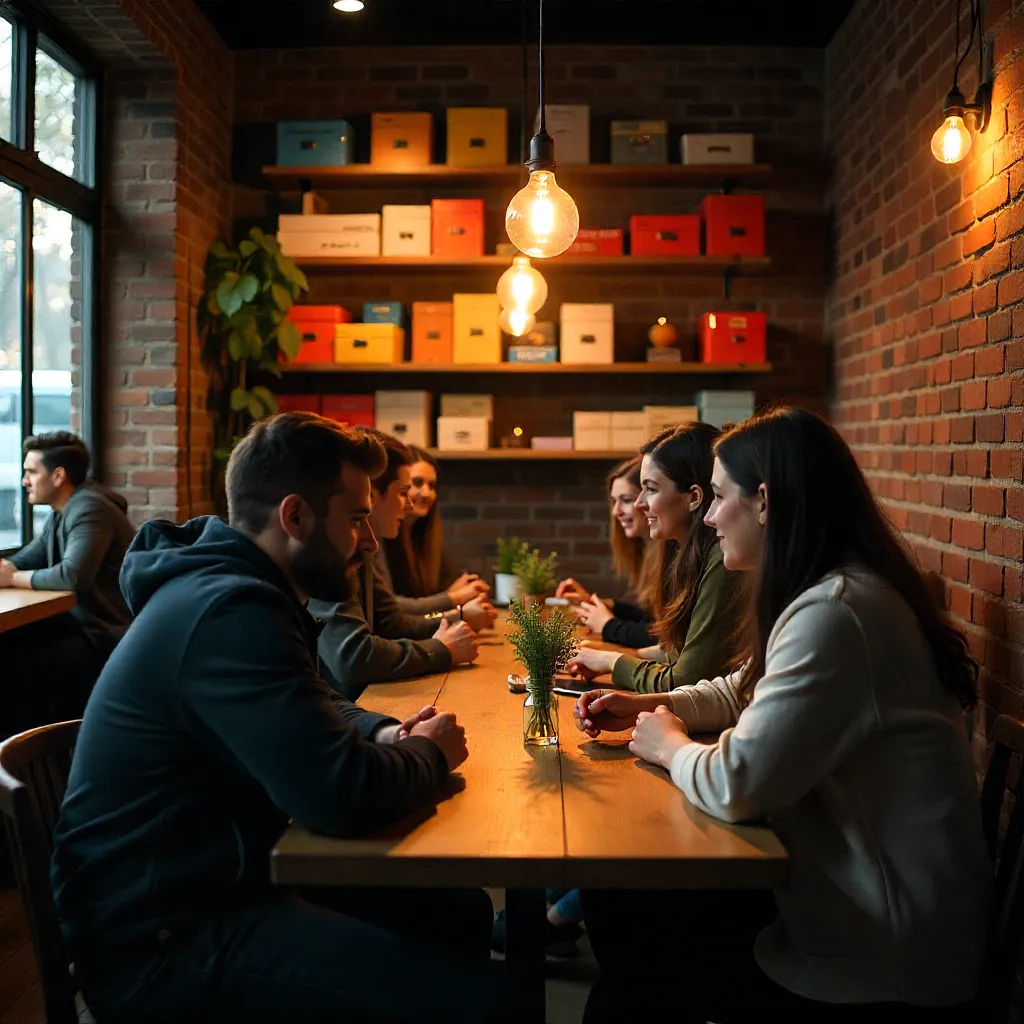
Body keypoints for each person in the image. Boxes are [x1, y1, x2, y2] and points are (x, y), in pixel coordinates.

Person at [51, 413, 520, 1024]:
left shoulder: (232, 588)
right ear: (295, 517)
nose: (372, 541)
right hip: (166, 939)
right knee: (485, 1002)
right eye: (356, 519)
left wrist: (378, 728)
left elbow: (314, 697)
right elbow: (339, 794)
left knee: (453, 911)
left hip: (211, 880)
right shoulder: (230, 610)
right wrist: (428, 753)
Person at [573, 407, 991, 1023]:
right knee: (621, 904)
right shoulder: (824, 592)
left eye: (717, 498)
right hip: (848, 902)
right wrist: (648, 704)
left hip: (883, 954)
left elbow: (737, 784)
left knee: (631, 933)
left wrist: (667, 746)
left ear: (764, 501)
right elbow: (734, 689)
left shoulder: (836, 612)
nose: (709, 517)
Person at [566, 423, 743, 693]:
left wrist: (610, 660)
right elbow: (679, 655)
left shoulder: (721, 559)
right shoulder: (691, 554)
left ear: (693, 496)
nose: (639, 504)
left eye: (651, 489)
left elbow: (685, 681)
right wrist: (618, 657)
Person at [313, 431, 482, 700]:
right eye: (405, 491)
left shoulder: (363, 548)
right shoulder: (331, 551)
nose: (411, 502)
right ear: (373, 495)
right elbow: (353, 658)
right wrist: (442, 647)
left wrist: (456, 619)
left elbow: (391, 621)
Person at [0, 431, 135, 730]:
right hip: (79, 626)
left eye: (31, 472)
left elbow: (73, 576)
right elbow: (27, 557)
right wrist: (6, 568)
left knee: (12, 666)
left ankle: (34, 759)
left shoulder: (90, 508)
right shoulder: (62, 512)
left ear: (58, 475)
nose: (24, 481)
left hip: (106, 636)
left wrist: (13, 578)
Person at [556, 454, 664, 649]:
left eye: (626, 500)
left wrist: (608, 625)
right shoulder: (649, 551)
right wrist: (603, 605)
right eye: (614, 501)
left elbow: (666, 639)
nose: (616, 512)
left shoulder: (675, 558)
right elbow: (651, 620)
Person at [381, 446, 490, 615]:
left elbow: (445, 589)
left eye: (432, 486)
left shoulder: (427, 536)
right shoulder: (381, 535)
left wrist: (466, 591)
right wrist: (453, 598)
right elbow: (389, 608)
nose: (426, 493)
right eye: (417, 482)